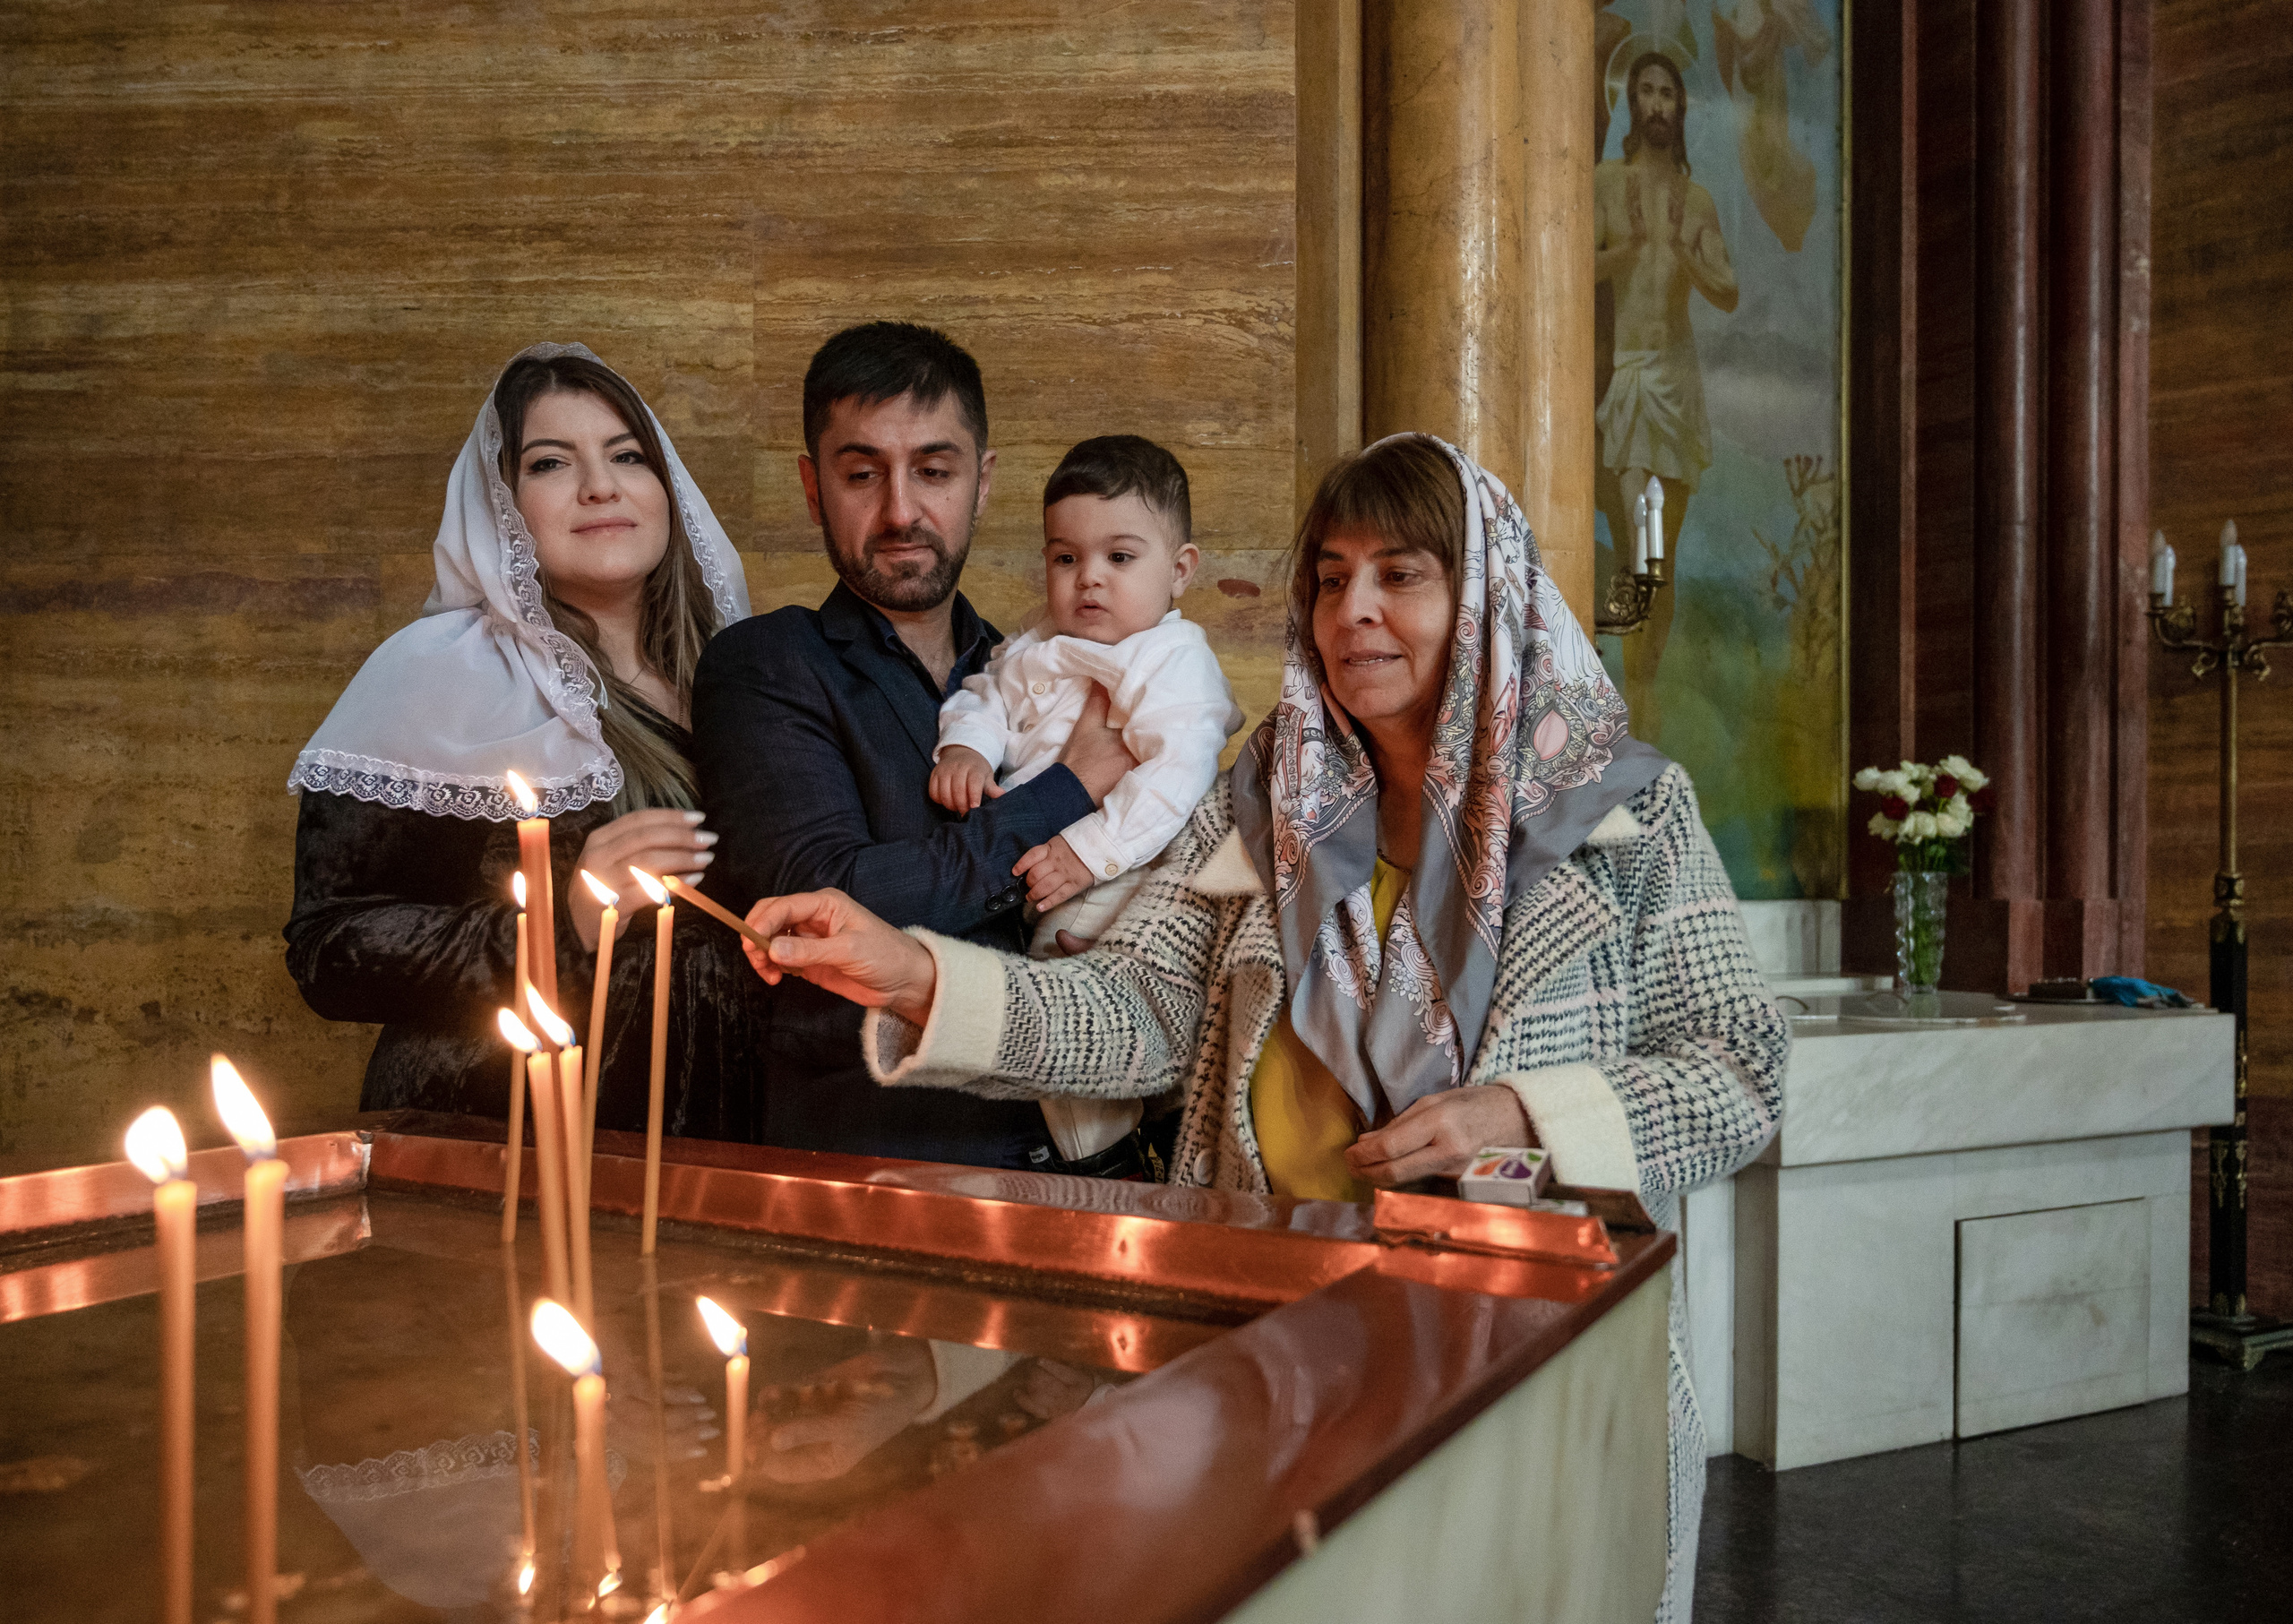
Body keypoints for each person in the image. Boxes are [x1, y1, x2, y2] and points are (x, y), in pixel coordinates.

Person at [739, 434, 1789, 1623]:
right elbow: (1138, 1012)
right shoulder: (1268, 799)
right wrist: (910, 970)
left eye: (1403, 574)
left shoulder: (1628, 810)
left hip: (1524, 1358)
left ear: (1487, 594)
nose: (1356, 612)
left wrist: (1526, 1115)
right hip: (1276, 1345)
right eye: (1330, 578)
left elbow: (1741, 1066)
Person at [691, 322, 1147, 1174]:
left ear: (982, 482)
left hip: (1092, 1164)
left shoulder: (1034, 673)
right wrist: (1072, 786)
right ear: (812, 486)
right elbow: (834, 900)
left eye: (934, 471)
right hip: (884, 1176)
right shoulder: (766, 665)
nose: (901, 509)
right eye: (862, 473)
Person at [284, 343, 768, 1140]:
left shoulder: (740, 671)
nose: (601, 486)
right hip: (505, 1123)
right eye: (550, 463)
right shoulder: (436, 675)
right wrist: (563, 918)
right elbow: (329, 948)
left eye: (627, 456)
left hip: (717, 1118)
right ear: (500, 503)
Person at [929, 434, 1242, 1166]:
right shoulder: (1039, 641)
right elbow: (984, 693)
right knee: (1046, 992)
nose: (1088, 580)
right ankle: (1091, 1143)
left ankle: (1104, 1152)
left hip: (1130, 868)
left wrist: (1087, 851)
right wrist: (967, 747)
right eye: (1066, 558)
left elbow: (1178, 771)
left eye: (1120, 558)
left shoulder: (1171, 657)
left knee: (1086, 993)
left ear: (1181, 570)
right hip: (1043, 868)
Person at [1594, 49, 1738, 742]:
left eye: (1667, 94)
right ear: (1633, 104)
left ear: (1680, 109)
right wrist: (1624, 255)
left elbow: (1728, 289)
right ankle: (1630, 705)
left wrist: (1685, 253)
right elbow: (1573, 266)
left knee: (1665, 555)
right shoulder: (1605, 182)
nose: (1656, 104)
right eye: (1646, 92)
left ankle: (1645, 699)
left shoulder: (1698, 200)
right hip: (1631, 376)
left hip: (1678, 383)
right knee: (1633, 545)